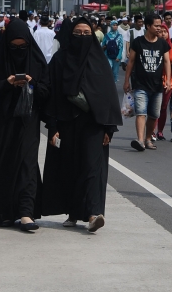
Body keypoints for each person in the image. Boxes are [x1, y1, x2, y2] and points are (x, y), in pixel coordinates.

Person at [36, 17, 122, 232]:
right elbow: (53, 95)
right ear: (70, 35)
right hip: (66, 122)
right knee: (70, 168)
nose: (82, 37)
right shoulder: (59, 60)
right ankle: (73, 212)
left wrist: (109, 128)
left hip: (94, 123)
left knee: (93, 168)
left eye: (86, 33)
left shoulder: (99, 60)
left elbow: (108, 95)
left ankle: (94, 213)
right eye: (78, 33)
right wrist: (53, 126)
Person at [0, 20, 50, 231]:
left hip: (27, 121)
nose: (19, 51)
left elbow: (47, 91)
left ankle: (26, 212)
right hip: (0, 122)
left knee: (27, 164)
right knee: (0, 163)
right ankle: (1, 211)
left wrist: (31, 84)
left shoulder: (37, 61)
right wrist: (7, 84)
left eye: (22, 47)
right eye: (14, 47)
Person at [123, 14, 171, 151]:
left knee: (154, 115)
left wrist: (167, 79)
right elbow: (131, 62)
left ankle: (148, 139)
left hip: (157, 86)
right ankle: (140, 140)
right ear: (148, 26)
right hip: (140, 84)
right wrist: (126, 81)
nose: (159, 28)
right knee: (141, 112)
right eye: (156, 26)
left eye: (160, 26)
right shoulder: (138, 42)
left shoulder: (162, 43)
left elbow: (167, 62)